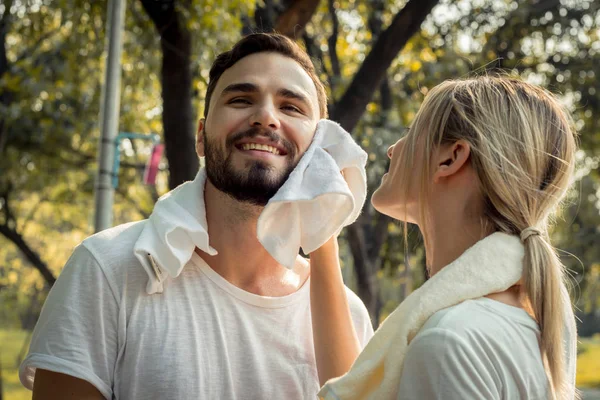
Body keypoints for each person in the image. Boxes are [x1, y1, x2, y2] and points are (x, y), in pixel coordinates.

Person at [19, 33, 374, 400]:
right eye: (240, 99)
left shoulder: (349, 316)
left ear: (321, 148)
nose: (266, 116)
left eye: (291, 108)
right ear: (201, 137)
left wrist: (325, 220)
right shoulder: (106, 270)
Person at [312, 76, 578, 399]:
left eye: (411, 133)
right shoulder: (540, 320)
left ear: (450, 159)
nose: (393, 149)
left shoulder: (446, 343)